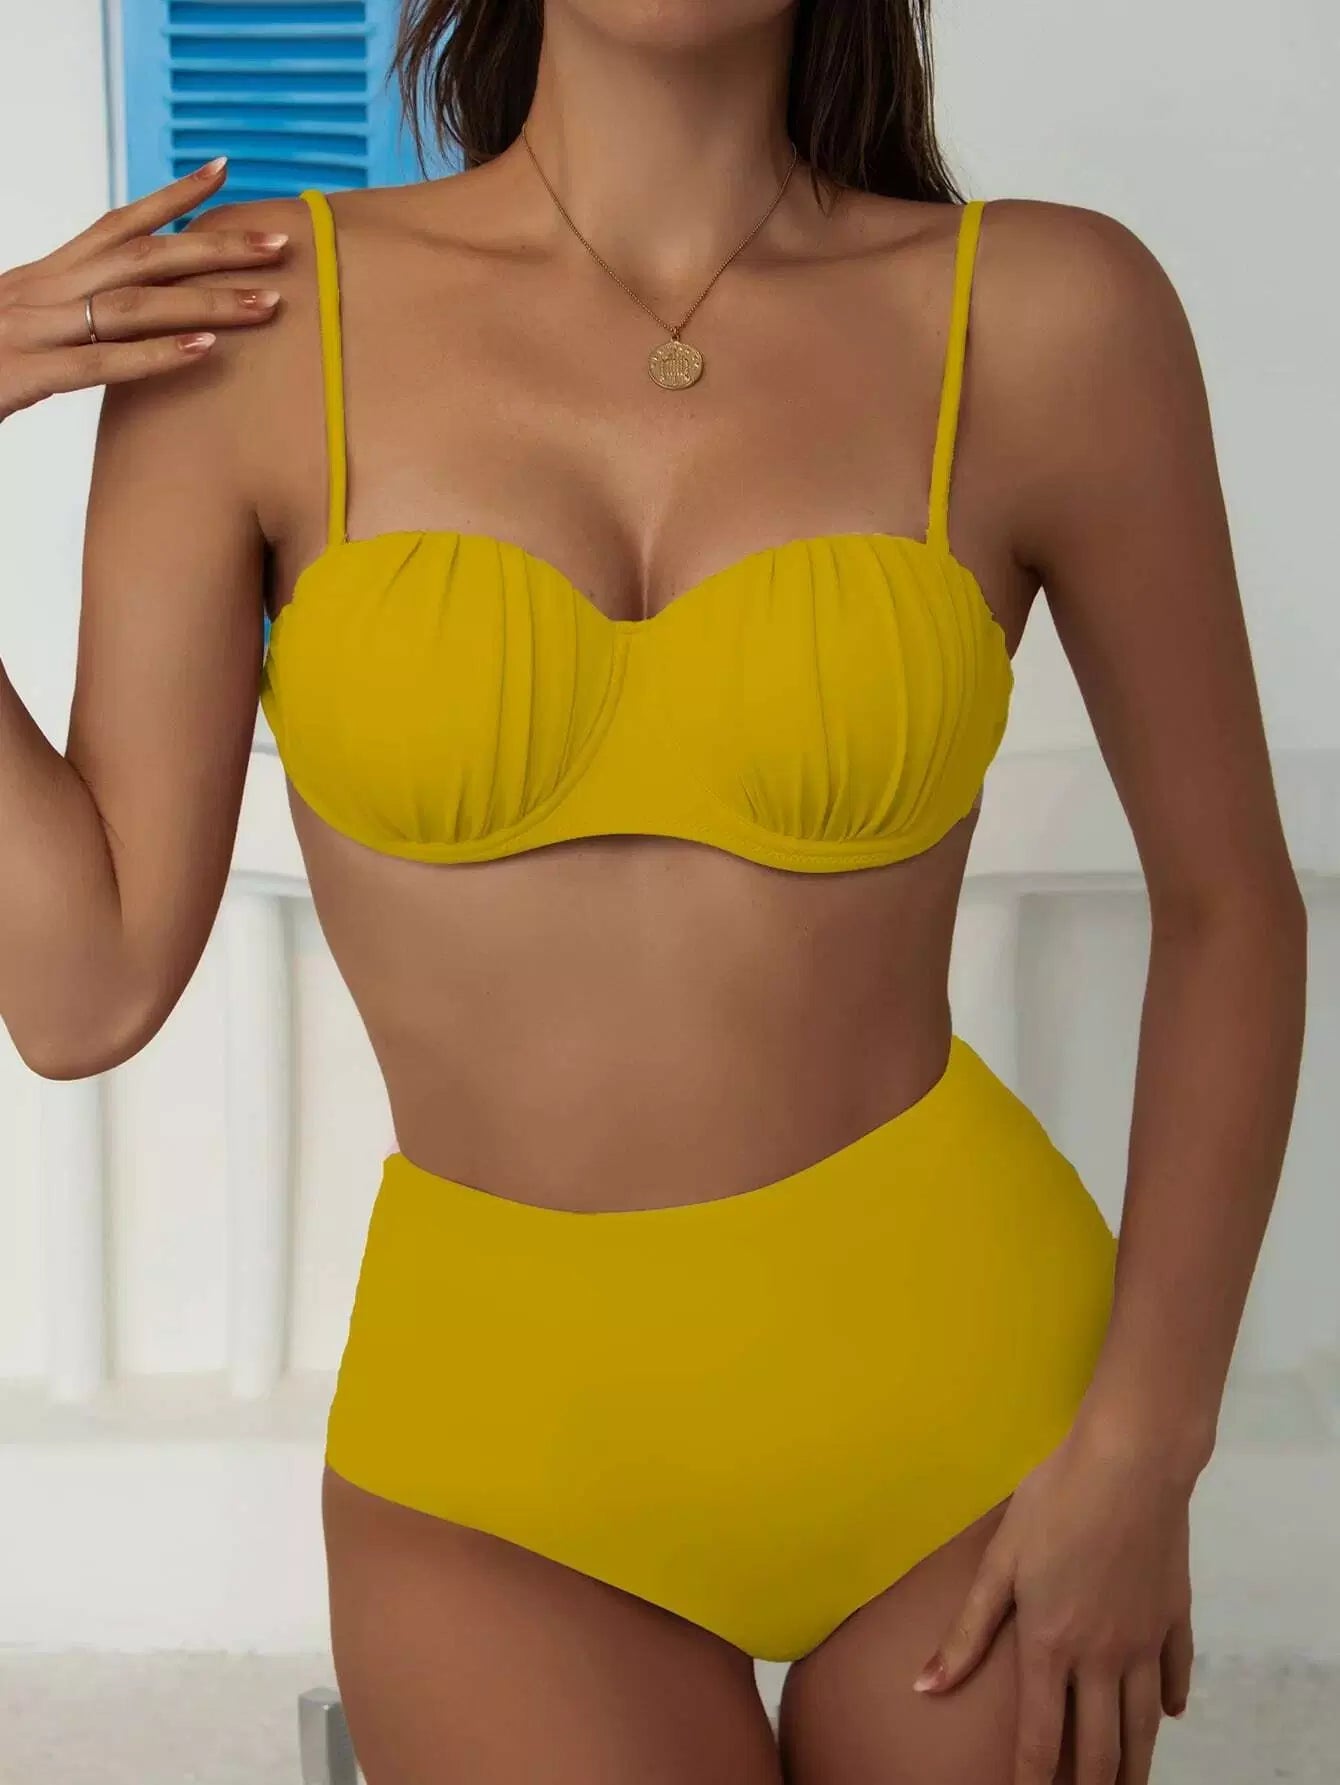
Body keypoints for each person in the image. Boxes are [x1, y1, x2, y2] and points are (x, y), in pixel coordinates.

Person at [0, 3, 1307, 1781]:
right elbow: (80, 992)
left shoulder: (1046, 315)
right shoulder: (255, 318)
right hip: (498, 1465)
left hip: (976, 1409)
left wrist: (1146, 1446)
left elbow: (1233, 910)